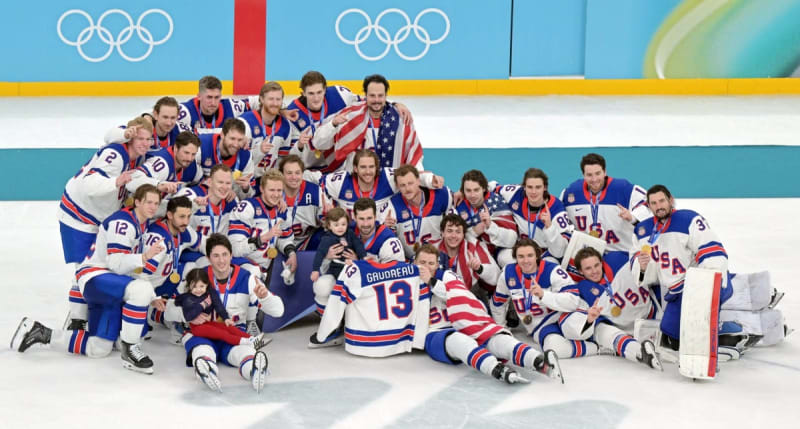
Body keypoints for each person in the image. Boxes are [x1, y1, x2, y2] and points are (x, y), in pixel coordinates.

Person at [13, 185, 166, 374]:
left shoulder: (141, 224)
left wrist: (152, 296)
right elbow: (117, 263)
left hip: (112, 285)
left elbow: (126, 270)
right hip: (96, 277)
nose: (153, 207)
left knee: (99, 348)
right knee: (140, 289)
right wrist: (144, 257)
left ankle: (41, 333)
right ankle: (130, 349)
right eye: (148, 202)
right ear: (137, 202)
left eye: (156, 203)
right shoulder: (123, 223)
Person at [416, 245, 563, 384]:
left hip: (464, 324)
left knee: (497, 340)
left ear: (437, 265)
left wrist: (431, 281)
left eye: (431, 263)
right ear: (414, 262)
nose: (426, 267)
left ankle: (537, 360)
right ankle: (496, 369)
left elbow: (453, 292)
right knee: (460, 341)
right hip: (435, 333)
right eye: (422, 262)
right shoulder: (406, 282)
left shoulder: (447, 276)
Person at [58, 116, 152, 330]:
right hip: (79, 217)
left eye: (149, 139)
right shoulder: (116, 154)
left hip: (96, 218)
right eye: (141, 138)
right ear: (130, 137)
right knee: (86, 268)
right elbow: (91, 185)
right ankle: (77, 319)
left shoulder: (135, 156)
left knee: (95, 266)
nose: (145, 143)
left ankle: (83, 315)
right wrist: (115, 182)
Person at [177, 234, 284, 393]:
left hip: (232, 332)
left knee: (244, 352)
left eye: (225, 254)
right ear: (208, 258)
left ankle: (254, 370)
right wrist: (188, 315)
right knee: (202, 350)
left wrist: (265, 297)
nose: (221, 260)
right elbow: (171, 309)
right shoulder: (197, 277)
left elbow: (278, 311)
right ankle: (206, 370)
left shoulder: (247, 278)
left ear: (231, 255)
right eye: (216, 256)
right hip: (202, 333)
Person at [632, 184, 733, 350]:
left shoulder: (689, 219)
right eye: (654, 203)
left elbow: (712, 251)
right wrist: (642, 268)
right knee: (671, 337)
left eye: (662, 201)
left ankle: (728, 334)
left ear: (671, 200)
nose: (659, 206)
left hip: (700, 285)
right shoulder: (642, 231)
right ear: (649, 207)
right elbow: (642, 273)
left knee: (697, 328)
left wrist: (706, 287)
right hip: (678, 294)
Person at [542, 247, 661, 370]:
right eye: (588, 268)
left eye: (596, 265)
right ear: (580, 271)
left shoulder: (617, 261)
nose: (594, 271)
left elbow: (642, 266)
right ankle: (638, 352)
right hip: (626, 329)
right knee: (600, 328)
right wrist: (589, 317)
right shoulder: (582, 289)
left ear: (601, 262)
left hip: (652, 316)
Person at [490, 239, 605, 359]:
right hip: (541, 327)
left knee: (578, 330)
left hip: (563, 314)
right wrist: (502, 329)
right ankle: (597, 348)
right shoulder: (508, 274)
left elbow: (572, 300)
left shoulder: (552, 270)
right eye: (521, 256)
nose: (526, 261)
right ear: (515, 257)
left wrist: (543, 295)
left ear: (537, 256)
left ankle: (598, 335)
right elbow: (498, 303)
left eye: (530, 255)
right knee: (554, 349)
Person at [309, 258, 429, 357]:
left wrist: (323, 333)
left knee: (325, 287)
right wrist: (419, 340)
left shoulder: (356, 271)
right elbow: (423, 305)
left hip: (362, 344)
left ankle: (331, 333)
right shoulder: (413, 271)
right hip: (399, 342)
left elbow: (337, 301)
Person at [560, 153, 650, 260]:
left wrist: (632, 217)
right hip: (587, 256)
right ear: (583, 175)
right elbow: (559, 216)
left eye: (598, 173)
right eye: (589, 175)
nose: (594, 179)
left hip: (620, 253)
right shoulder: (570, 193)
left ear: (605, 172)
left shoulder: (623, 188)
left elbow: (648, 202)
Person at [331, 74, 423, 172]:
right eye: (372, 95)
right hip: (357, 181)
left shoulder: (400, 118)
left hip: (389, 181)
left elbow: (413, 153)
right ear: (365, 95)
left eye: (380, 96)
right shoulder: (350, 114)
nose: (376, 100)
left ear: (385, 96)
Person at [314, 149, 442, 218]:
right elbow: (317, 180)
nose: (368, 172)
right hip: (348, 233)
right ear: (355, 168)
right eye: (363, 167)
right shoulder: (340, 181)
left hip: (378, 232)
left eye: (371, 167)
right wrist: (327, 203)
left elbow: (411, 176)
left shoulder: (388, 178)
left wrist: (430, 180)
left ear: (377, 168)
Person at [228, 169, 298, 279]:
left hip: (262, 269)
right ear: (262, 189)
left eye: (279, 190)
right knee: (254, 273)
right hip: (240, 265)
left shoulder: (282, 211)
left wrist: (292, 254)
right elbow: (234, 249)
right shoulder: (248, 207)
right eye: (271, 190)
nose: (276, 195)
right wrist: (264, 238)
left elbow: (285, 239)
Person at [175, 268, 268, 348]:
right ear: (189, 286)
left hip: (208, 322)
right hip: (197, 328)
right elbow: (189, 316)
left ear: (207, 285)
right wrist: (203, 305)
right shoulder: (188, 298)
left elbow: (218, 304)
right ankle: (246, 343)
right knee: (222, 334)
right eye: (194, 286)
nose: (198, 289)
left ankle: (250, 338)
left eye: (201, 286)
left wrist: (226, 318)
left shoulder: (208, 292)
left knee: (228, 328)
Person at [377, 164, 452, 259]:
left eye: (410, 183)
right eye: (402, 185)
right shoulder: (391, 207)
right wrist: (385, 227)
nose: (407, 189)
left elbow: (459, 214)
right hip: (411, 263)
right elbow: (379, 237)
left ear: (418, 181)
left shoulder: (442, 195)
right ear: (397, 186)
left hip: (440, 259)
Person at [497, 168, 571, 263]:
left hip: (543, 254)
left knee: (551, 264)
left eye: (538, 187)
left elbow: (560, 252)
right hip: (520, 250)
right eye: (530, 187)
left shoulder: (557, 210)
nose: (533, 192)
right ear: (524, 187)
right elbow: (491, 187)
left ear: (545, 187)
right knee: (503, 258)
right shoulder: (514, 194)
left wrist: (549, 227)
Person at [174, 164, 236, 272]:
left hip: (216, 253)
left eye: (228, 183)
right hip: (189, 251)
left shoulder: (231, 201)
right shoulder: (192, 194)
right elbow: (172, 215)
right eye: (220, 182)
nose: (225, 187)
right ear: (210, 182)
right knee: (212, 266)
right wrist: (193, 207)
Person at [311, 208, 367, 315]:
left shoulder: (350, 234)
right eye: (336, 225)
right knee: (337, 286)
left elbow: (358, 245)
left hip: (352, 266)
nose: (340, 227)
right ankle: (330, 319)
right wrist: (315, 270)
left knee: (357, 287)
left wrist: (363, 257)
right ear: (329, 226)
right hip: (336, 267)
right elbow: (320, 254)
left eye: (343, 224)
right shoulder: (327, 238)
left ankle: (354, 316)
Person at [454, 169, 517, 264]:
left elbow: (512, 240)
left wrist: (490, 227)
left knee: (507, 259)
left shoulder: (496, 202)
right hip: (476, 251)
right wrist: (474, 231)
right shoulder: (458, 206)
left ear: (483, 188)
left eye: (476, 190)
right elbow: (452, 238)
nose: (472, 195)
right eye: (468, 190)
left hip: (500, 249)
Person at [436, 214, 501, 302]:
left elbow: (496, 277)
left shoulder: (474, 248)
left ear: (463, 234)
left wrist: (479, 268)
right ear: (442, 233)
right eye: (449, 231)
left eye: (458, 232)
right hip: (439, 294)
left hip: (470, 292)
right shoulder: (432, 250)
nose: (453, 235)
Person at [238, 82, 293, 177]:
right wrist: (259, 151)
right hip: (244, 181)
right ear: (262, 99)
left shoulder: (286, 126)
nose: (275, 103)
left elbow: (282, 159)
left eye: (278, 99)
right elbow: (237, 158)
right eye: (271, 99)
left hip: (268, 182)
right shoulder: (245, 122)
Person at [126, 131, 204, 198]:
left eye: (193, 154)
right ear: (176, 148)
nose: (189, 158)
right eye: (186, 153)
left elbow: (202, 184)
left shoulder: (192, 167)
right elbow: (131, 181)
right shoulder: (162, 163)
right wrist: (159, 185)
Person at [197, 119, 255, 200]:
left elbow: (250, 195)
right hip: (201, 195)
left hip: (225, 199)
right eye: (232, 139)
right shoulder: (201, 145)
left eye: (240, 140)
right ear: (222, 135)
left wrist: (245, 189)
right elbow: (189, 179)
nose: (236, 144)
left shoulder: (245, 156)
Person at [178, 75, 257, 135]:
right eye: (209, 97)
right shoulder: (184, 113)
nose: (213, 103)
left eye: (217, 97)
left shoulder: (232, 107)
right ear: (199, 96)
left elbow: (257, 101)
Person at [279, 155, 328, 251]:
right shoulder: (274, 193)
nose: (294, 177)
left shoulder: (315, 191)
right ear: (281, 175)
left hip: (307, 240)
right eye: (289, 173)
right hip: (279, 241)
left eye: (297, 173)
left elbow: (325, 222)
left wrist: (327, 216)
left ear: (302, 174)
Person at [104, 96, 187, 151]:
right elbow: (107, 137)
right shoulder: (142, 127)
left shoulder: (180, 131)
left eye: (173, 118)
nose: (169, 123)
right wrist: (125, 134)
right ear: (155, 114)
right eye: (165, 117)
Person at [352, 198, 404, 263]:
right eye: (361, 219)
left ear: (375, 216)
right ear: (354, 217)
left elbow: (396, 270)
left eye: (369, 218)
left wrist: (359, 263)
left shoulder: (388, 239)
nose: (365, 224)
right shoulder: (347, 230)